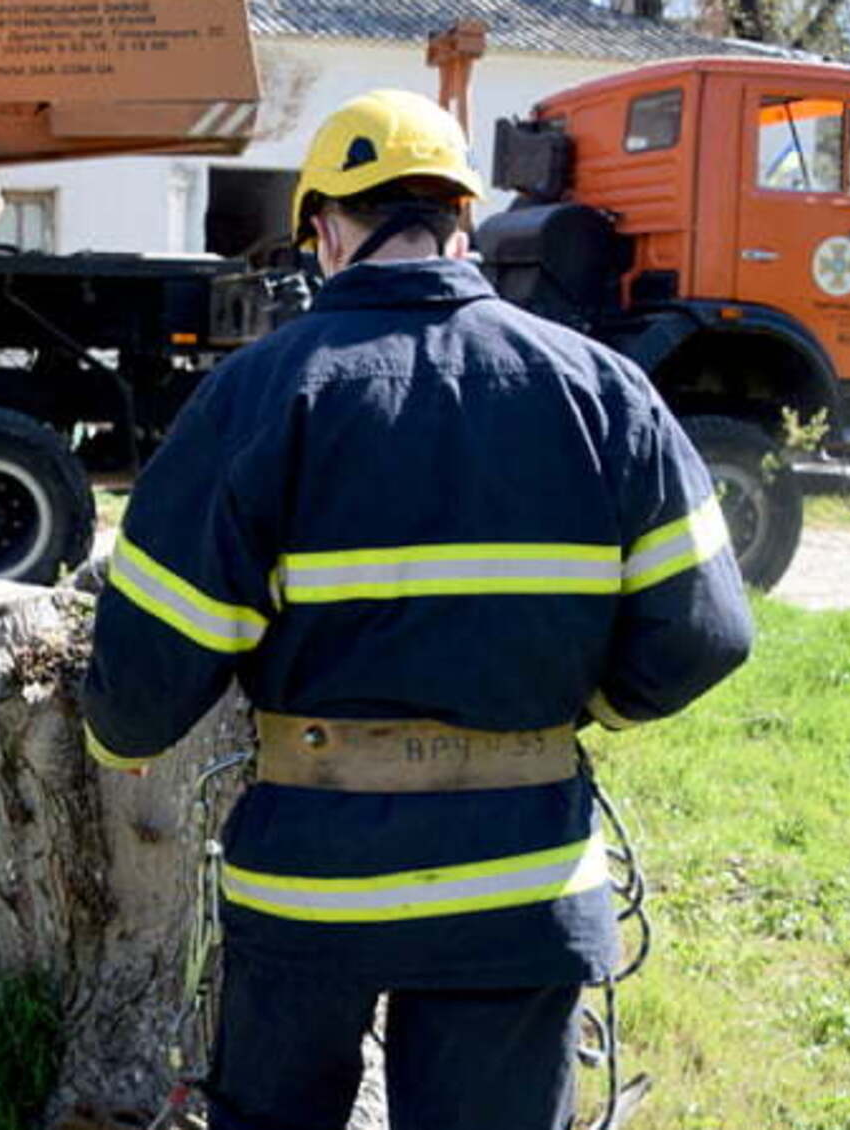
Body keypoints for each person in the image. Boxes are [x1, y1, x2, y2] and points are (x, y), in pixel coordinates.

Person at [80, 89, 753, 1130]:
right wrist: (580, 711)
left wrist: (120, 728)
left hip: (311, 886)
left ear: (325, 230)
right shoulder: (602, 388)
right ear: (463, 221)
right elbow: (708, 630)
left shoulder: (260, 393)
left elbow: (147, 672)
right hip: (520, 878)